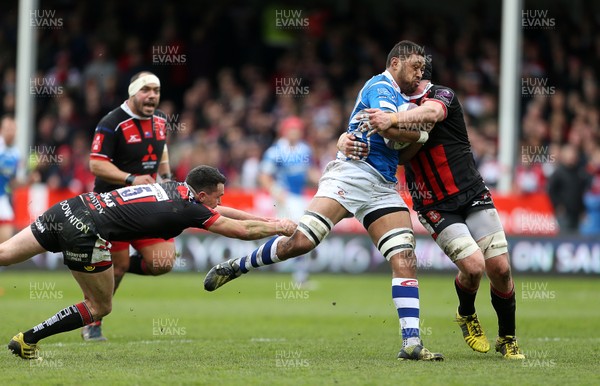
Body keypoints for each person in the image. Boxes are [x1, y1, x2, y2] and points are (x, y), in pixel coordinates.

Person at [204, 40, 443, 361]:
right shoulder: (380, 86)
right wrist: (422, 129)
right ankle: (237, 266)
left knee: (404, 257)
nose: (420, 73)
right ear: (396, 63)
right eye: (415, 66)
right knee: (301, 242)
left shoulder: (404, 99)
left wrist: (414, 132)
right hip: (351, 175)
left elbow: (402, 146)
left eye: (423, 69)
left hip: (384, 185)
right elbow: (390, 129)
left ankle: (411, 342)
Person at [3, 165, 296, 360]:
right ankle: (28, 339)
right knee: (99, 306)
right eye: (216, 198)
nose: (220, 203)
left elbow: (227, 211)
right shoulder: (188, 209)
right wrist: (278, 228)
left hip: (71, 207)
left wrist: (267, 219)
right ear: (202, 195)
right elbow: (240, 231)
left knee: (4, 254)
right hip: (86, 231)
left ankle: (29, 338)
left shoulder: (176, 187)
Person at [338, 57, 525, 359]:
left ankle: (507, 338)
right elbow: (373, 140)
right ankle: (466, 313)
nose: (414, 78)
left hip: (472, 192)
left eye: (418, 73)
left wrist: (393, 121)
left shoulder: (441, 96)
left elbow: (433, 113)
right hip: (433, 203)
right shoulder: (391, 102)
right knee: (474, 266)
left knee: (501, 269)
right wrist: (343, 141)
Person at [85, 71, 174, 340]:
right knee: (120, 265)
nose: (152, 96)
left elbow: (161, 149)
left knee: (163, 262)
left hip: (146, 203)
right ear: (132, 92)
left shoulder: (160, 120)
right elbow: (96, 164)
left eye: (156, 90)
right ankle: (93, 321)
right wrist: (130, 179)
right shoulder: (112, 122)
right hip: (113, 206)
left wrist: (167, 178)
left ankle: (108, 267)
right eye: (146, 90)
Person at [258, 116, 318, 285]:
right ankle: (297, 274)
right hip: (285, 196)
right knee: (297, 232)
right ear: (285, 131)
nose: (295, 133)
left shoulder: (305, 149)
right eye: (292, 130)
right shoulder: (276, 151)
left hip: (300, 196)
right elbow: (264, 175)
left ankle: (297, 272)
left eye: (297, 130)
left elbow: (309, 171)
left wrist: (322, 180)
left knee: (300, 233)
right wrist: (276, 191)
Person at [0, 114, 20, 243]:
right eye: (7, 129)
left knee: (6, 239)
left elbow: (12, 183)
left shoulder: (15, 154)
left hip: (3, 199)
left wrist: (29, 180)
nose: (10, 132)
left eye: (13, 129)